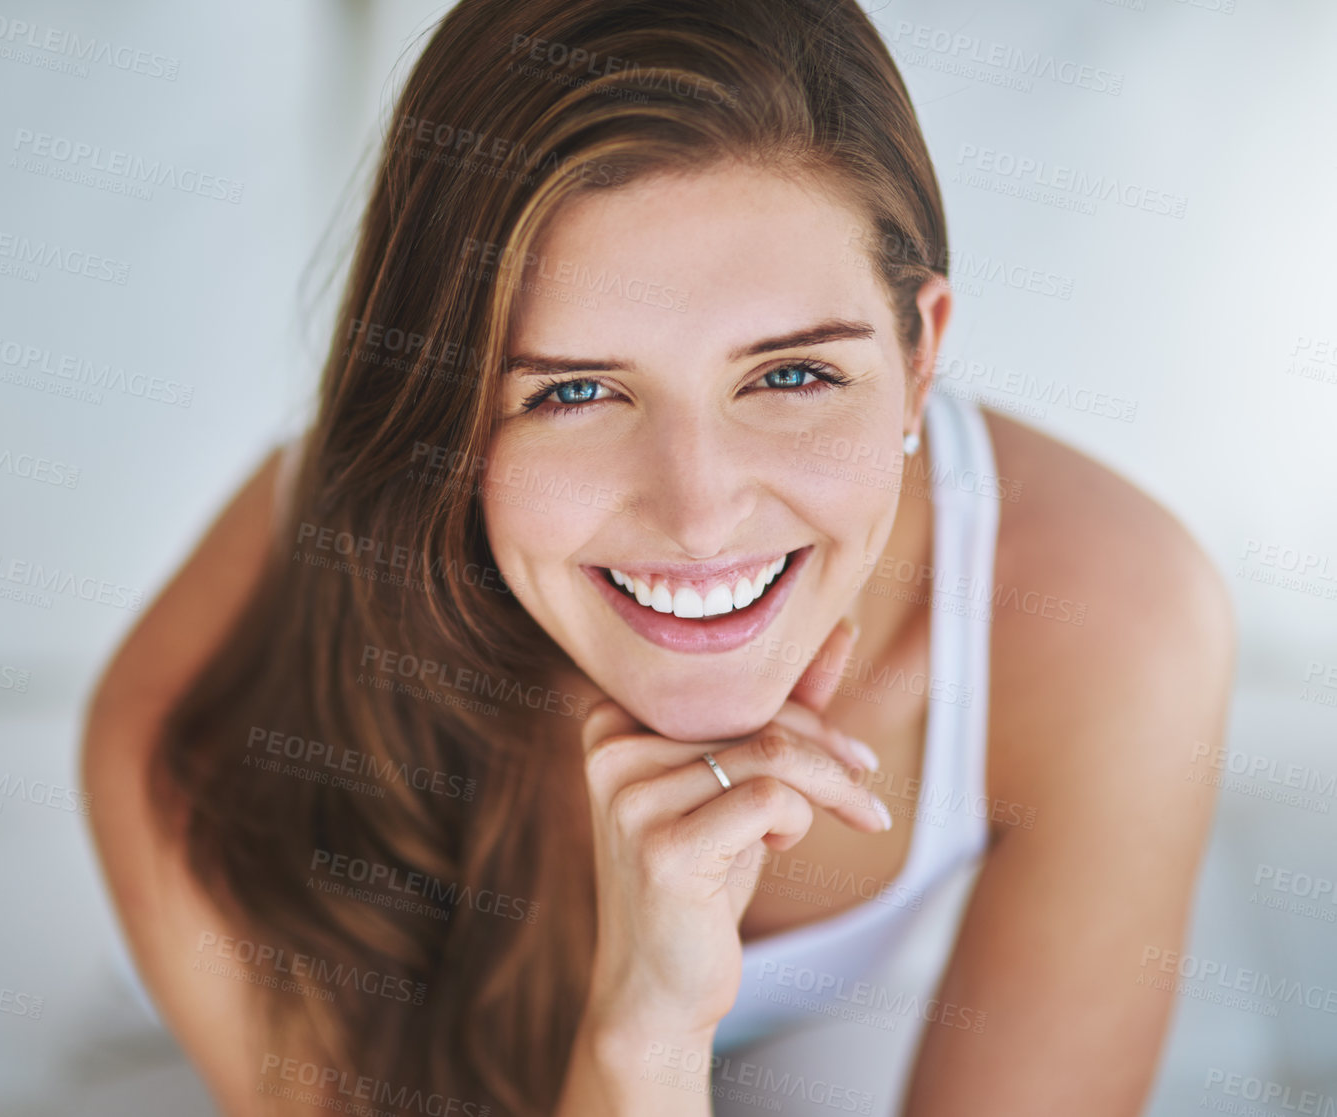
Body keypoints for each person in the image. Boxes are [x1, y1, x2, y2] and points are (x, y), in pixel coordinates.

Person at [83, 1, 1235, 1113]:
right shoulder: (202, 710)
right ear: (447, 404)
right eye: (574, 391)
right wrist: (645, 1039)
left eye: (789, 375)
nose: (696, 516)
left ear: (919, 352)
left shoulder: (1117, 621)